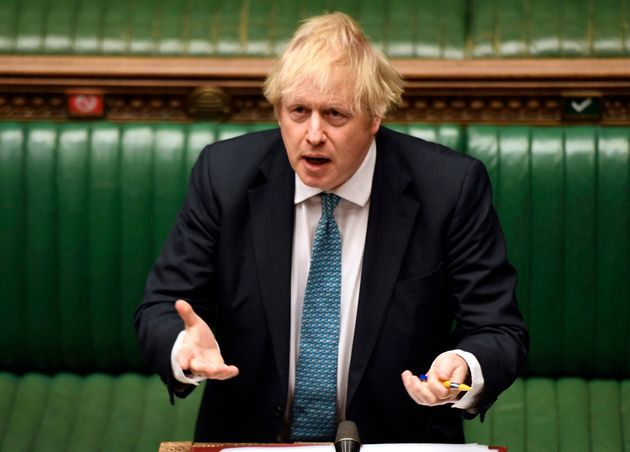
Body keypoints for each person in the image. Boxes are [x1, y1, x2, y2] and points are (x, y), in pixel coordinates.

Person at [135, 12, 528, 445]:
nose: (314, 134)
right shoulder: (224, 175)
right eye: (298, 111)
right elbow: (160, 309)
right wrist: (182, 350)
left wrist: (463, 368)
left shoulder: (449, 187)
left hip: (393, 440)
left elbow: (498, 329)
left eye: (335, 114)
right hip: (252, 440)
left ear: (374, 117)